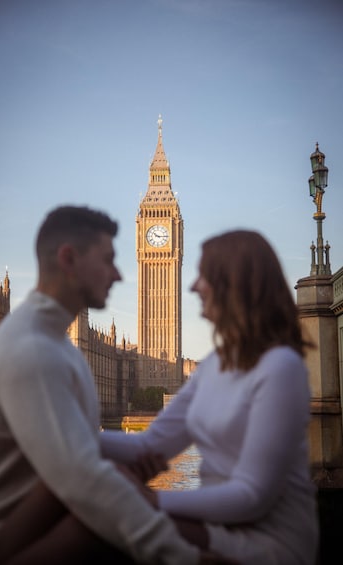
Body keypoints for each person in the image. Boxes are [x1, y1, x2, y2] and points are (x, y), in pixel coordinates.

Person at [0, 205, 222, 565]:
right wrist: (187, 558)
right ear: (69, 259)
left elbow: (75, 446)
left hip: (41, 528)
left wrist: (132, 455)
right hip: (2, 548)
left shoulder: (54, 342)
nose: (118, 274)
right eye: (108, 259)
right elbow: (84, 481)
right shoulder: (32, 349)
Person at [100, 229, 319, 565]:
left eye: (203, 276)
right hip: (217, 523)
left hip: (267, 540)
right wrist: (61, 437)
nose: (193, 286)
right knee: (87, 509)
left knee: (100, 521)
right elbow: (150, 445)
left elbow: (252, 496)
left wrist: (150, 500)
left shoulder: (280, 367)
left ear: (233, 284)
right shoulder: (215, 364)